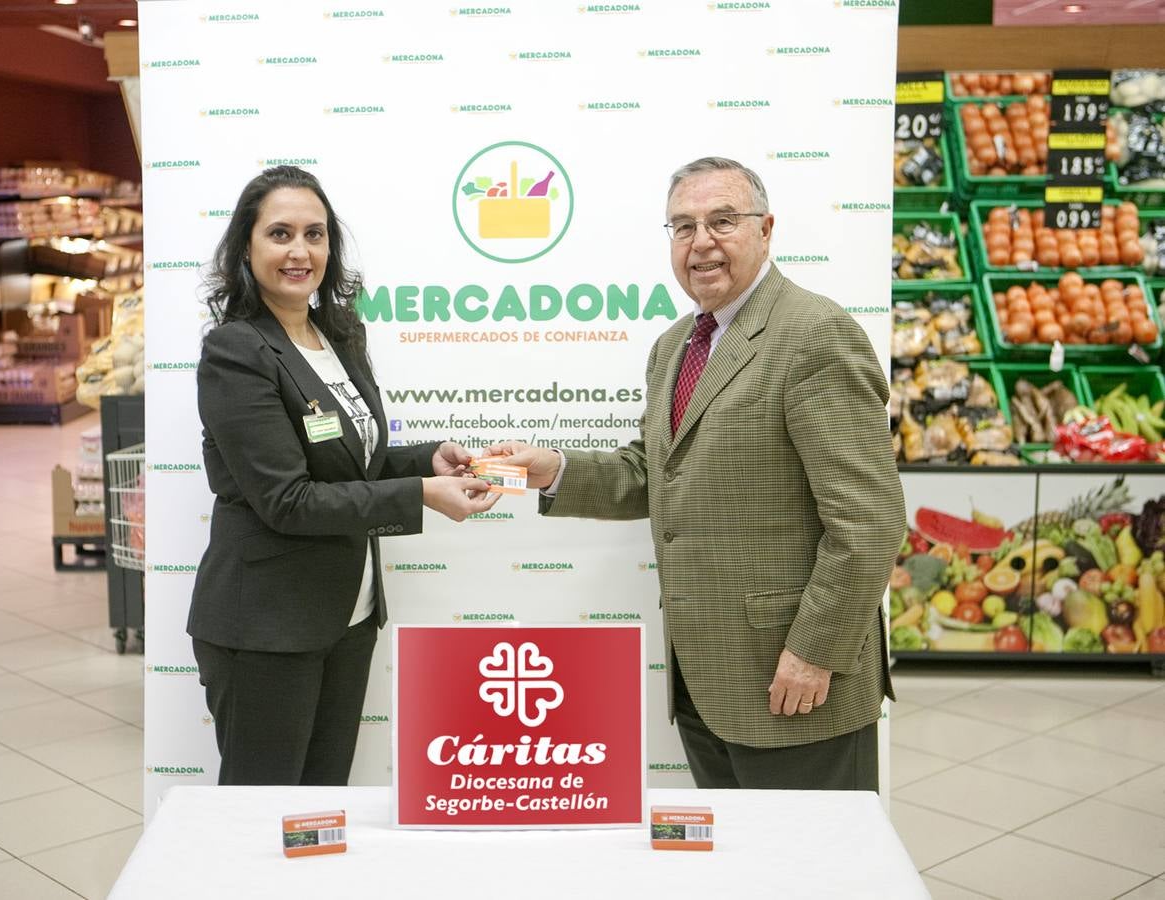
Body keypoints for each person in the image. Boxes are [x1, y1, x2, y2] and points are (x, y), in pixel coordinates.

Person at [490, 157, 904, 791]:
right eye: (682, 227)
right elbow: (655, 475)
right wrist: (555, 471)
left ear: (766, 230)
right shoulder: (675, 346)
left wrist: (816, 650)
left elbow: (869, 522)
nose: (701, 241)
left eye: (723, 220)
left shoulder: (814, 333)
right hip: (707, 683)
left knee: (811, 874)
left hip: (794, 680)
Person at [188, 166, 497, 786]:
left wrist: (427, 460)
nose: (300, 251)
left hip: (348, 618)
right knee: (261, 819)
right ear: (245, 249)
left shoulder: (338, 336)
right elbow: (288, 499)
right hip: (268, 627)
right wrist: (419, 497)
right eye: (280, 233)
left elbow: (354, 460)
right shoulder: (236, 352)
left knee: (322, 810)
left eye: (315, 234)